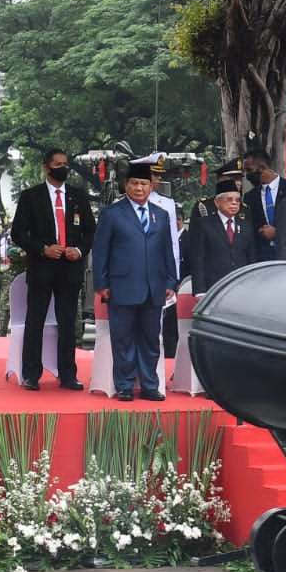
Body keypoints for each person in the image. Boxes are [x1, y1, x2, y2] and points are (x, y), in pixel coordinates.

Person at [10, 147, 97, 391]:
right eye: (58, 164)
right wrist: (43, 248)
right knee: (35, 321)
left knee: (68, 323)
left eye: (65, 163)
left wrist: (78, 250)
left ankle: (67, 374)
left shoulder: (78, 196)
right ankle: (31, 374)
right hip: (42, 268)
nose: (63, 168)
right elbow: (18, 233)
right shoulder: (31, 197)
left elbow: (90, 231)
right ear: (46, 167)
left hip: (69, 269)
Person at [92, 162, 177, 401]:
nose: (139, 188)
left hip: (154, 287)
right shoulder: (112, 213)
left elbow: (166, 250)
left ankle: (150, 385)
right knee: (123, 339)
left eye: (144, 184)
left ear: (151, 186)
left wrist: (171, 280)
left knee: (151, 339)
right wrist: (101, 283)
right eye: (135, 183)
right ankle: (126, 385)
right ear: (126, 185)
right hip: (121, 287)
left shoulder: (160, 215)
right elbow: (100, 252)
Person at [185, 173, 252, 295]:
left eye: (237, 200)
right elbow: (198, 259)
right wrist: (200, 291)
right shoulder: (204, 225)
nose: (234, 203)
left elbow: (252, 257)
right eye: (229, 199)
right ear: (217, 202)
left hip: (242, 286)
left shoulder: (246, 225)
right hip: (213, 287)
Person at [242, 147, 286, 263]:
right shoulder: (249, 197)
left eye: (249, 170)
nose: (246, 175)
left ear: (262, 167)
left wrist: (278, 233)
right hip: (262, 260)